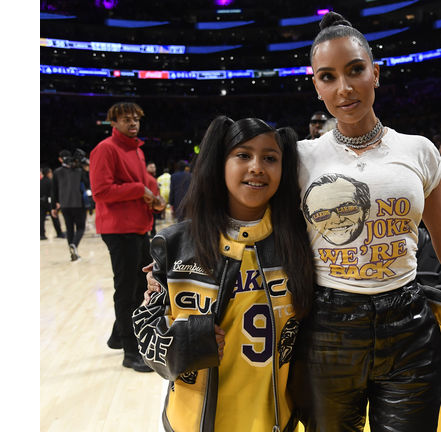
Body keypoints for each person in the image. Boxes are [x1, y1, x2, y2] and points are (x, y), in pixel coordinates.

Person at [287, 12, 441, 432]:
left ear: (376, 73)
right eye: (328, 77)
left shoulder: (419, 150)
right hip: (327, 330)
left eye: (355, 71)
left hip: (408, 327)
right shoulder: (300, 157)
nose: (345, 88)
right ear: (316, 86)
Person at [132, 116, 315, 432]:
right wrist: (176, 346)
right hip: (192, 422)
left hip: (276, 420)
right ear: (220, 163)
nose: (257, 166)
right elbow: (145, 326)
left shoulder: (302, 243)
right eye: (243, 155)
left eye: (270, 158)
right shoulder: (173, 244)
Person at [90, 101, 166, 372]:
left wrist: (155, 197)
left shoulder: (137, 151)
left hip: (137, 225)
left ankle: (116, 335)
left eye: (136, 119)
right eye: (126, 120)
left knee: (139, 286)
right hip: (118, 229)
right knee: (127, 290)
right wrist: (139, 190)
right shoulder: (105, 149)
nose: (133, 123)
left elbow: (144, 182)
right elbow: (101, 191)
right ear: (113, 123)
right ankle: (130, 351)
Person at [52, 150, 90, 261]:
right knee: (81, 228)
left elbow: (53, 190)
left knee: (69, 229)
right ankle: (74, 244)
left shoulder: (57, 172)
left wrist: (53, 207)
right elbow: (87, 183)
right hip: (78, 203)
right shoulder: (79, 171)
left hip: (64, 204)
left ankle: (72, 253)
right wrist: (86, 171)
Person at [40, 166, 66, 240]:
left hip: (40, 202)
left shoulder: (39, 182)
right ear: (49, 173)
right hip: (50, 202)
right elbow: (54, 193)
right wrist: (57, 202)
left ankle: (42, 235)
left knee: (41, 219)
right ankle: (59, 233)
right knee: (55, 218)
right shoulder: (51, 182)